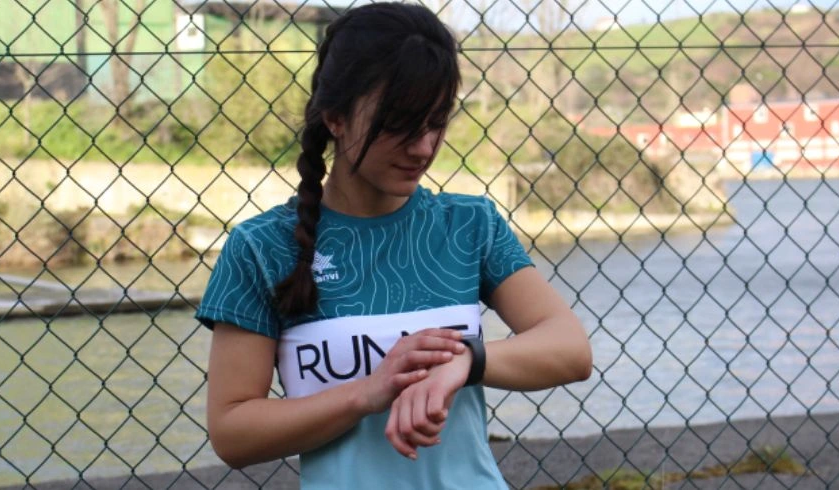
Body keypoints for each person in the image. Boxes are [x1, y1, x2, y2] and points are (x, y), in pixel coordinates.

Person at [196, 2, 592, 488]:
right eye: (400, 123)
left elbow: (571, 348)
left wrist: (467, 361)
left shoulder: (470, 225)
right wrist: (366, 393)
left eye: (436, 122)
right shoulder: (261, 247)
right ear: (336, 117)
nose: (423, 147)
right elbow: (232, 432)